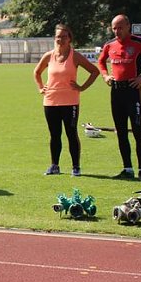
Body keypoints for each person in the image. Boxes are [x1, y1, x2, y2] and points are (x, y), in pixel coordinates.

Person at [97, 14, 141, 180]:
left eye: (120, 27)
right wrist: (106, 76)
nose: (117, 31)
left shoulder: (139, 43)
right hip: (116, 92)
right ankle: (127, 168)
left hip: (132, 91)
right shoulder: (109, 45)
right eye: (114, 28)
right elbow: (101, 62)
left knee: (137, 131)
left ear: (128, 26)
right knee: (121, 132)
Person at [33, 24, 100, 176]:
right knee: (54, 134)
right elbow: (37, 72)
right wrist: (40, 87)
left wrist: (82, 87)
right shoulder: (48, 56)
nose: (60, 40)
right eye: (58, 37)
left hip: (70, 102)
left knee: (71, 133)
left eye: (64, 37)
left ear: (69, 38)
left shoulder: (75, 56)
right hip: (50, 101)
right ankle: (54, 166)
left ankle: (76, 167)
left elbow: (94, 71)